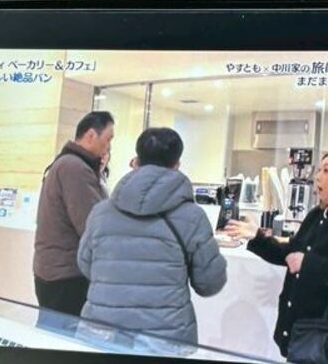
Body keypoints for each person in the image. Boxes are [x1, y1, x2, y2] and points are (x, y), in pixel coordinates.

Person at [225, 150, 328, 358]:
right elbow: (292, 253)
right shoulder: (318, 215)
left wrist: (309, 264)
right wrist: (257, 237)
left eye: (326, 171)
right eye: (319, 170)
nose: (318, 177)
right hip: (303, 336)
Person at [77, 127, 227, 346]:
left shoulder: (101, 212)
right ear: (176, 165)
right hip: (164, 339)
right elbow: (210, 283)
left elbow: (85, 265)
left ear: (136, 161)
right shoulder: (192, 217)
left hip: (103, 332)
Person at [33, 111, 115, 316]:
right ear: (91, 135)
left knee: (52, 326)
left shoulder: (66, 163)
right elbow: (91, 224)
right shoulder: (75, 168)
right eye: (108, 139)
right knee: (63, 331)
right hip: (67, 273)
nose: (109, 146)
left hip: (53, 269)